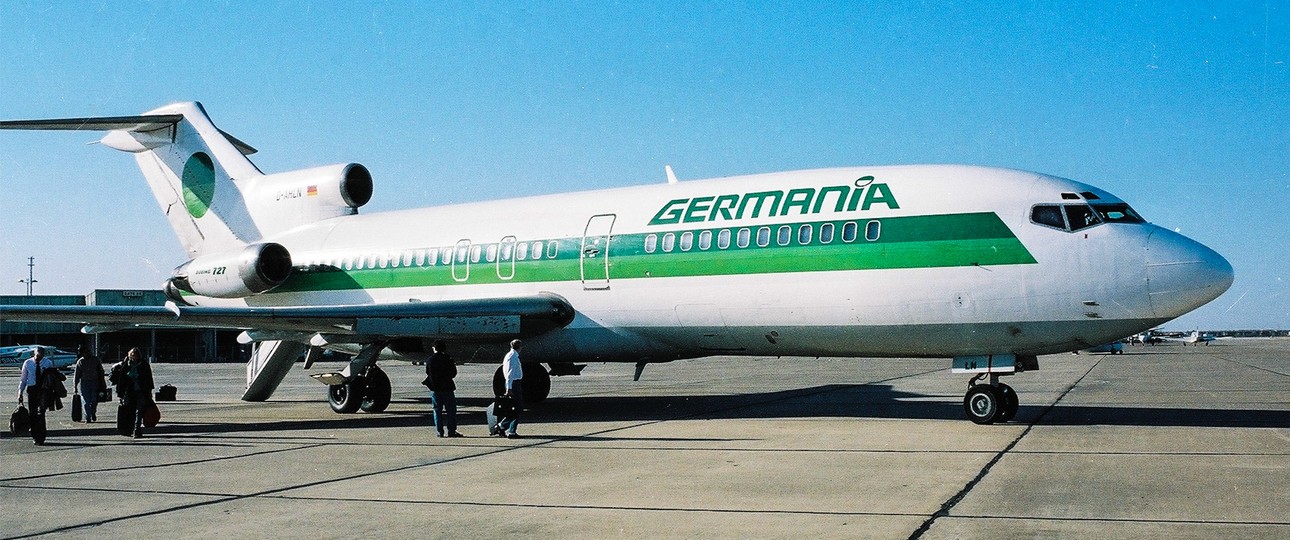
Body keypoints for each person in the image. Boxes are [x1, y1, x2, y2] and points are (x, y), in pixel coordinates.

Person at [17, 347, 54, 445]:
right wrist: (20, 393)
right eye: (37, 356)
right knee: (32, 414)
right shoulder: (28, 363)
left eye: (41, 357)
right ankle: (35, 436)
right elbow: (23, 379)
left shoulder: (48, 363)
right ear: (34, 354)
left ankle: (41, 436)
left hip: (43, 390)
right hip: (32, 390)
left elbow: (52, 379)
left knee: (41, 414)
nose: (39, 359)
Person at [425, 340, 462, 438]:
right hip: (447, 387)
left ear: (434, 348)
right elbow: (453, 373)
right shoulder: (448, 358)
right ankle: (451, 431)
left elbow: (427, 372)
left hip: (434, 388)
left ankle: (439, 432)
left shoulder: (430, 360)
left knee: (437, 410)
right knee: (451, 410)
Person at [115, 348, 154, 439]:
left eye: (136, 355)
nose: (134, 357)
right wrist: (120, 394)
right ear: (129, 355)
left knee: (139, 411)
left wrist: (149, 392)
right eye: (132, 355)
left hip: (141, 391)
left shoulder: (144, 365)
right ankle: (130, 429)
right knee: (130, 411)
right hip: (129, 392)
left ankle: (137, 429)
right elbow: (122, 380)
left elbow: (149, 378)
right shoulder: (126, 365)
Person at [494, 339, 524, 439]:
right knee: (517, 408)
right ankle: (503, 426)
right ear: (519, 347)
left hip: (515, 383)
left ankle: (511, 430)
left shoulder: (511, 355)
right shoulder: (513, 357)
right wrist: (509, 388)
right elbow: (509, 374)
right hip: (514, 384)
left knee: (515, 408)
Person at [73, 345, 104, 423]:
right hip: (85, 382)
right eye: (85, 352)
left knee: (94, 400)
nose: (88, 353)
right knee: (86, 401)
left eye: (88, 351)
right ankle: (88, 417)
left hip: (95, 382)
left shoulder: (95, 360)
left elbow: (101, 371)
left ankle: (93, 412)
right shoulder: (80, 361)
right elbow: (77, 374)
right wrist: (75, 386)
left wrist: (103, 382)